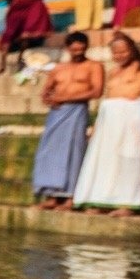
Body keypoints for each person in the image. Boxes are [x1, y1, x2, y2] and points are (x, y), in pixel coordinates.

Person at [71, 33, 140, 214]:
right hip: (109, 117)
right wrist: (97, 124)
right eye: (116, 53)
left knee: (128, 158)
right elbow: (108, 95)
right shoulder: (113, 71)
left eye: (123, 52)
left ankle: (126, 204)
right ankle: (100, 199)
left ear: (131, 50)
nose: (119, 56)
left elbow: (137, 90)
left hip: (130, 115)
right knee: (105, 158)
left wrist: (120, 99)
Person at [33, 32, 102, 210]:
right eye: (74, 49)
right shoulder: (58, 68)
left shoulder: (94, 66)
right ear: (68, 48)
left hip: (77, 111)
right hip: (56, 114)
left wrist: (67, 98)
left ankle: (71, 197)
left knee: (73, 151)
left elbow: (96, 91)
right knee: (49, 152)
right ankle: (52, 196)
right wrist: (48, 98)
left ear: (86, 47)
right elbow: (46, 91)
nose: (78, 52)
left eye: (81, 48)